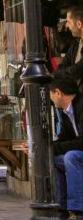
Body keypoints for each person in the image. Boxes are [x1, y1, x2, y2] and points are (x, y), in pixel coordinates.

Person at [49, 73, 83, 219]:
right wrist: (47, 148)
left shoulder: (81, 106)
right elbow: (64, 138)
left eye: (51, 94)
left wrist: (54, 148)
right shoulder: (67, 111)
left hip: (79, 154)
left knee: (71, 156)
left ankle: (78, 209)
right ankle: (61, 208)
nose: (51, 98)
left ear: (58, 93)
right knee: (54, 159)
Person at [59, 6, 83, 85]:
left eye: (68, 22)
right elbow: (63, 64)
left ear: (79, 24)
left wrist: (60, 74)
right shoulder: (75, 44)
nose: (66, 25)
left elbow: (78, 69)